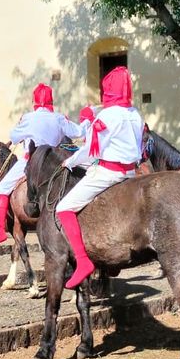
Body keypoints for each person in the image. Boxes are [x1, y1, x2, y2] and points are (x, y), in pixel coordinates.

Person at [54, 67, 145, 289]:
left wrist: (70, 162)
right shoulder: (135, 113)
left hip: (109, 173)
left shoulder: (107, 116)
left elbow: (91, 150)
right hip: (130, 172)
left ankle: (83, 261)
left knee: (63, 208)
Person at [0, 83, 81, 249]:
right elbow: (78, 132)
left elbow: (13, 137)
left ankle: (0, 230)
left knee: (1, 188)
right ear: (51, 100)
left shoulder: (28, 118)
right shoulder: (59, 118)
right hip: (56, 161)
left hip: (31, 161)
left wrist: (21, 125)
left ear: (34, 101)